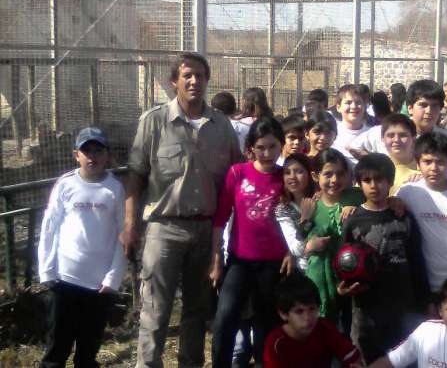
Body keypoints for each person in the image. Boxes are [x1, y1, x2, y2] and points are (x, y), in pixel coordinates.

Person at [122, 52, 242, 367]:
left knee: (196, 310)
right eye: (187, 75)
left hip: (205, 230)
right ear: (174, 80)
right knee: (156, 309)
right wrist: (130, 224)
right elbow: (135, 175)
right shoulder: (154, 122)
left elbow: (239, 172)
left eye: (200, 75)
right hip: (164, 228)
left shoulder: (221, 126)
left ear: (207, 81)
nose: (194, 81)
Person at [38, 126, 126, 367]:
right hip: (64, 280)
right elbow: (49, 227)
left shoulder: (115, 189)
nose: (93, 157)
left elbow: (123, 235)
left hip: (99, 287)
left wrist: (113, 278)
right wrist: (47, 270)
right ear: (76, 154)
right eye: (87, 151)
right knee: (57, 348)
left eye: (98, 151)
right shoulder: (65, 185)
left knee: (88, 351)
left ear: (107, 155)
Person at [210, 116, 293, 368]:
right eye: (261, 147)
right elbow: (220, 219)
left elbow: (297, 218)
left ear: (281, 146)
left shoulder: (286, 177)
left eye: (272, 147)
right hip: (240, 261)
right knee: (225, 317)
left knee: (266, 323)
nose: (267, 153)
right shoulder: (238, 173)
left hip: (274, 264)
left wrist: (291, 252)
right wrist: (216, 259)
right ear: (251, 148)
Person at [340, 153, 429, 364]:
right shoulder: (353, 221)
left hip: (403, 304)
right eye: (367, 180)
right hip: (366, 308)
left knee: (403, 359)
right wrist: (342, 287)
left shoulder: (403, 216)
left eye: (379, 179)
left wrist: (426, 300)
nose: (374, 185)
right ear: (359, 183)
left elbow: (417, 259)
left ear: (389, 181)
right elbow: (343, 264)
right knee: (368, 359)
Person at [396, 132, 447, 294]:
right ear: (418, 163)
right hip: (419, 284)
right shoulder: (407, 192)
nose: (434, 168)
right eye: (427, 162)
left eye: (440, 162)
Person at [306, 148, 364, 320]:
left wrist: (358, 210)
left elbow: (380, 203)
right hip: (325, 281)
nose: (334, 180)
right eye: (328, 174)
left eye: (340, 174)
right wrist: (309, 245)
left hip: (355, 279)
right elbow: (303, 240)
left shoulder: (357, 197)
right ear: (316, 177)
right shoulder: (312, 206)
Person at [264, 274, 363, 368]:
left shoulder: (324, 328)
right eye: (299, 311)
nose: (307, 317)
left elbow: (352, 357)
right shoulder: (276, 344)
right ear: (283, 314)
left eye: (312, 309)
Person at [275, 154, 319, 272]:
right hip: (303, 270)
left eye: (299, 171)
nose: (292, 177)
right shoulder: (283, 209)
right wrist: (305, 221)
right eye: (287, 172)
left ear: (310, 175)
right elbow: (296, 250)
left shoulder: (322, 199)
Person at [331, 84, 370, 167]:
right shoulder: (331, 133)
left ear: (364, 106)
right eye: (348, 102)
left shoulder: (373, 134)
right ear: (338, 107)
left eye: (358, 102)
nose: (354, 106)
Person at [381, 114, 420, 195]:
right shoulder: (375, 168)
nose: (396, 140)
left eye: (403, 135)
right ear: (382, 139)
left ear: (413, 138)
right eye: (391, 135)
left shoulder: (425, 169)